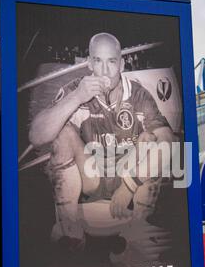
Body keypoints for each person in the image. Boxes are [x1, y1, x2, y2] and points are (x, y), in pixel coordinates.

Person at [29, 32, 176, 251]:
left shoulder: (138, 95)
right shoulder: (77, 89)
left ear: (122, 64)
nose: (105, 71)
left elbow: (168, 140)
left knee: (153, 138)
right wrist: (77, 97)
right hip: (92, 179)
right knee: (62, 133)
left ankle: (139, 222)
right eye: (98, 61)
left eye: (111, 62)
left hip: (129, 179)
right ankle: (70, 228)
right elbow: (36, 135)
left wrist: (130, 183)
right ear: (89, 64)